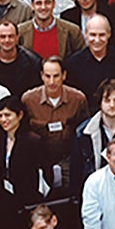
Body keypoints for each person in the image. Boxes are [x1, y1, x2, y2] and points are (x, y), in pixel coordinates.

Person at [21, 56, 89, 191]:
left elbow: (85, 132)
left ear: (64, 75)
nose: (51, 82)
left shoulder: (78, 99)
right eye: (47, 76)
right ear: (41, 76)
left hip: (68, 161)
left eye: (56, 76)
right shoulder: (28, 100)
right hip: (39, 162)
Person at [0, 96, 48, 229]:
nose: (4, 119)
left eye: (8, 115)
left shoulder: (33, 140)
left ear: (20, 115)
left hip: (28, 198)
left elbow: (44, 172)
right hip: (5, 199)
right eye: (0, 116)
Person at [64, 15, 115, 102]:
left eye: (101, 35)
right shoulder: (74, 63)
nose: (97, 40)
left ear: (109, 34)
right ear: (85, 34)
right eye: (93, 35)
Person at [17, 0, 85, 60]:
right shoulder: (20, 31)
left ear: (54, 4)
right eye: (38, 3)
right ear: (32, 6)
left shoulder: (72, 31)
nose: (43, 7)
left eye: (47, 2)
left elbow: (82, 61)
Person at [0, 20, 43, 99]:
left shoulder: (33, 62)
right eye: (3, 36)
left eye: (11, 36)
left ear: (17, 37)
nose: (7, 40)